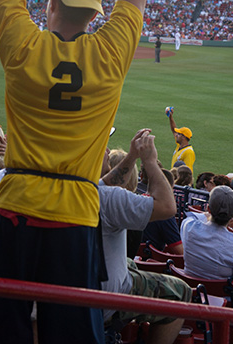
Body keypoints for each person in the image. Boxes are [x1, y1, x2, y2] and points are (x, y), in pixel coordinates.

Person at [0, 0, 150, 343]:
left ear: (51, 2)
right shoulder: (110, 53)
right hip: (75, 212)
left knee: (8, 331)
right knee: (72, 332)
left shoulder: (22, 46)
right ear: (97, 12)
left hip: (14, 204)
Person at [99, 129, 191, 344]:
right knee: (181, 293)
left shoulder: (81, 189)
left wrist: (132, 156)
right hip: (105, 296)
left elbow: (105, 184)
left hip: (74, 287)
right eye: (101, 146)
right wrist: (150, 162)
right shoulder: (107, 199)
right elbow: (168, 207)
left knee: (130, 263)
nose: (107, 150)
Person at [181, 185, 233, 287]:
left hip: (191, 292)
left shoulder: (189, 226)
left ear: (208, 208)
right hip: (220, 301)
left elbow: (193, 216)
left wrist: (210, 213)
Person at [166, 106, 195, 172]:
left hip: (180, 181)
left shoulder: (189, 152)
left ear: (184, 137)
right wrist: (170, 117)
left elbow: (188, 172)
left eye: (179, 134)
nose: (176, 135)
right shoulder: (179, 146)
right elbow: (174, 130)